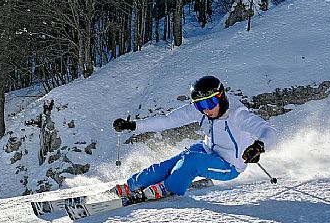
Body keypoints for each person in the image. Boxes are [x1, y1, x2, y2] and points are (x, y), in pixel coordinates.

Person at [112, 75, 276, 202]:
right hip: (206, 149)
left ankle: (168, 188)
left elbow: (267, 130)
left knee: (191, 161)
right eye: (199, 105)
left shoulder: (237, 114)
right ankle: (132, 185)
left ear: (220, 97)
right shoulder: (202, 110)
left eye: (209, 103)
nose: (206, 110)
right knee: (167, 166)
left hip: (230, 164)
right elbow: (168, 120)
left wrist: (258, 146)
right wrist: (134, 125)